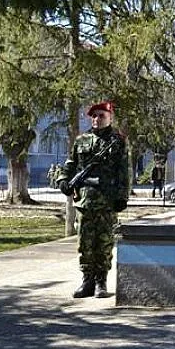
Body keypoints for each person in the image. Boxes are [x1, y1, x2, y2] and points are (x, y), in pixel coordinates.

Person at [56, 101, 130, 299]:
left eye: (101, 116)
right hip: (85, 201)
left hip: (107, 202)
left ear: (110, 117)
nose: (97, 119)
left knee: (104, 243)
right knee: (85, 243)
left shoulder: (118, 141)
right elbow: (70, 165)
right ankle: (87, 281)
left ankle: (101, 282)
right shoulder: (81, 140)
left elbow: (124, 172)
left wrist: (122, 197)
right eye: (94, 116)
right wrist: (63, 181)